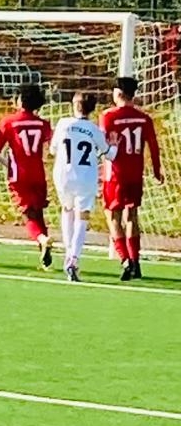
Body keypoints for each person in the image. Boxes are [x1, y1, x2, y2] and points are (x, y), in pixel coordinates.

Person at [0, 82, 55, 269]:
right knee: (38, 212)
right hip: (38, 173)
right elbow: (53, 145)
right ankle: (43, 247)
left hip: (19, 175)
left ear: (21, 100)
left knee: (27, 214)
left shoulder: (8, 122)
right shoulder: (43, 124)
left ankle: (42, 239)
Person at [100, 76, 164, 281]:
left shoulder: (108, 116)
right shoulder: (144, 118)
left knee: (112, 217)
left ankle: (125, 259)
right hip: (135, 174)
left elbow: (102, 144)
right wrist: (156, 170)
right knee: (132, 216)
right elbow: (153, 146)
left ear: (118, 93)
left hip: (115, 175)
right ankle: (136, 262)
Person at [51, 91, 116, 283]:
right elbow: (109, 154)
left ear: (74, 105)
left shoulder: (63, 123)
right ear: (92, 109)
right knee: (82, 216)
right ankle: (73, 259)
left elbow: (53, 149)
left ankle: (68, 253)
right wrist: (114, 144)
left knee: (67, 210)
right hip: (85, 177)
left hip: (63, 175)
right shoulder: (94, 129)